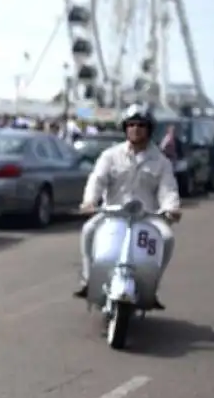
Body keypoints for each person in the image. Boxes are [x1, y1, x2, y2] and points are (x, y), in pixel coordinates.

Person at [73, 103, 181, 308]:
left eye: (141, 124)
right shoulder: (110, 155)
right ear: (125, 128)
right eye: (131, 124)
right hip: (112, 214)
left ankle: (152, 286)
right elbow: (97, 180)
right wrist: (89, 201)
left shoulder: (161, 161)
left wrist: (171, 208)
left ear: (149, 129)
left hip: (146, 217)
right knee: (88, 230)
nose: (136, 128)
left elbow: (168, 189)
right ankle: (88, 280)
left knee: (167, 238)